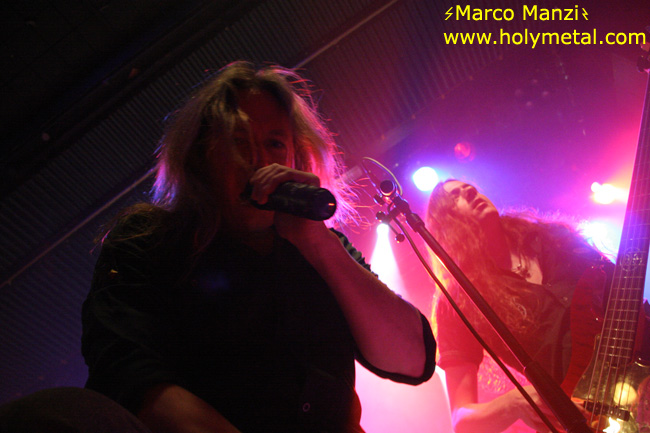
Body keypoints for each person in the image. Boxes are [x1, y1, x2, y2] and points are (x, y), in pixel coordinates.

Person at [81, 61, 436, 433]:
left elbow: (412, 360)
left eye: (274, 144)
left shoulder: (321, 246)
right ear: (201, 158)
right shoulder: (148, 241)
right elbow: (129, 380)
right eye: (237, 142)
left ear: (298, 157)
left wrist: (320, 245)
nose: (260, 162)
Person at [425, 179, 613, 433]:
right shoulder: (461, 302)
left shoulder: (551, 238)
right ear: (446, 226)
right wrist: (515, 402)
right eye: (455, 197)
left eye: (471, 188)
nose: (469, 191)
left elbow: (620, 284)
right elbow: (462, 420)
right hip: (586, 419)